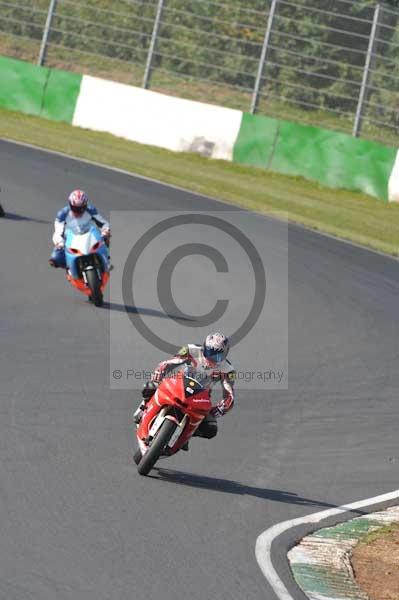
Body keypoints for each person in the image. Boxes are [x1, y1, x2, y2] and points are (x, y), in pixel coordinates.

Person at [134, 332, 236, 444]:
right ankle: (144, 406)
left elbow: (229, 396)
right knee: (149, 387)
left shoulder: (229, 370)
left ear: (225, 354)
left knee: (210, 429)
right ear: (204, 348)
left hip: (200, 396)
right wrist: (156, 379)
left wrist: (218, 410)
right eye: (209, 352)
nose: (211, 358)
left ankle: (184, 434)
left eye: (217, 356)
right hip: (179, 383)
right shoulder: (191, 349)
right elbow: (168, 363)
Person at [49, 189, 110, 268]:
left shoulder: (90, 210)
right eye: (75, 208)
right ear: (70, 205)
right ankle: (69, 268)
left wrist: (105, 231)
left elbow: (103, 223)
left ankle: (107, 259)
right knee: (55, 258)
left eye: (81, 208)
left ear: (85, 206)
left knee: (106, 237)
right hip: (71, 239)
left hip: (89, 236)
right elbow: (58, 232)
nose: (78, 212)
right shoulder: (62, 214)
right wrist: (60, 244)